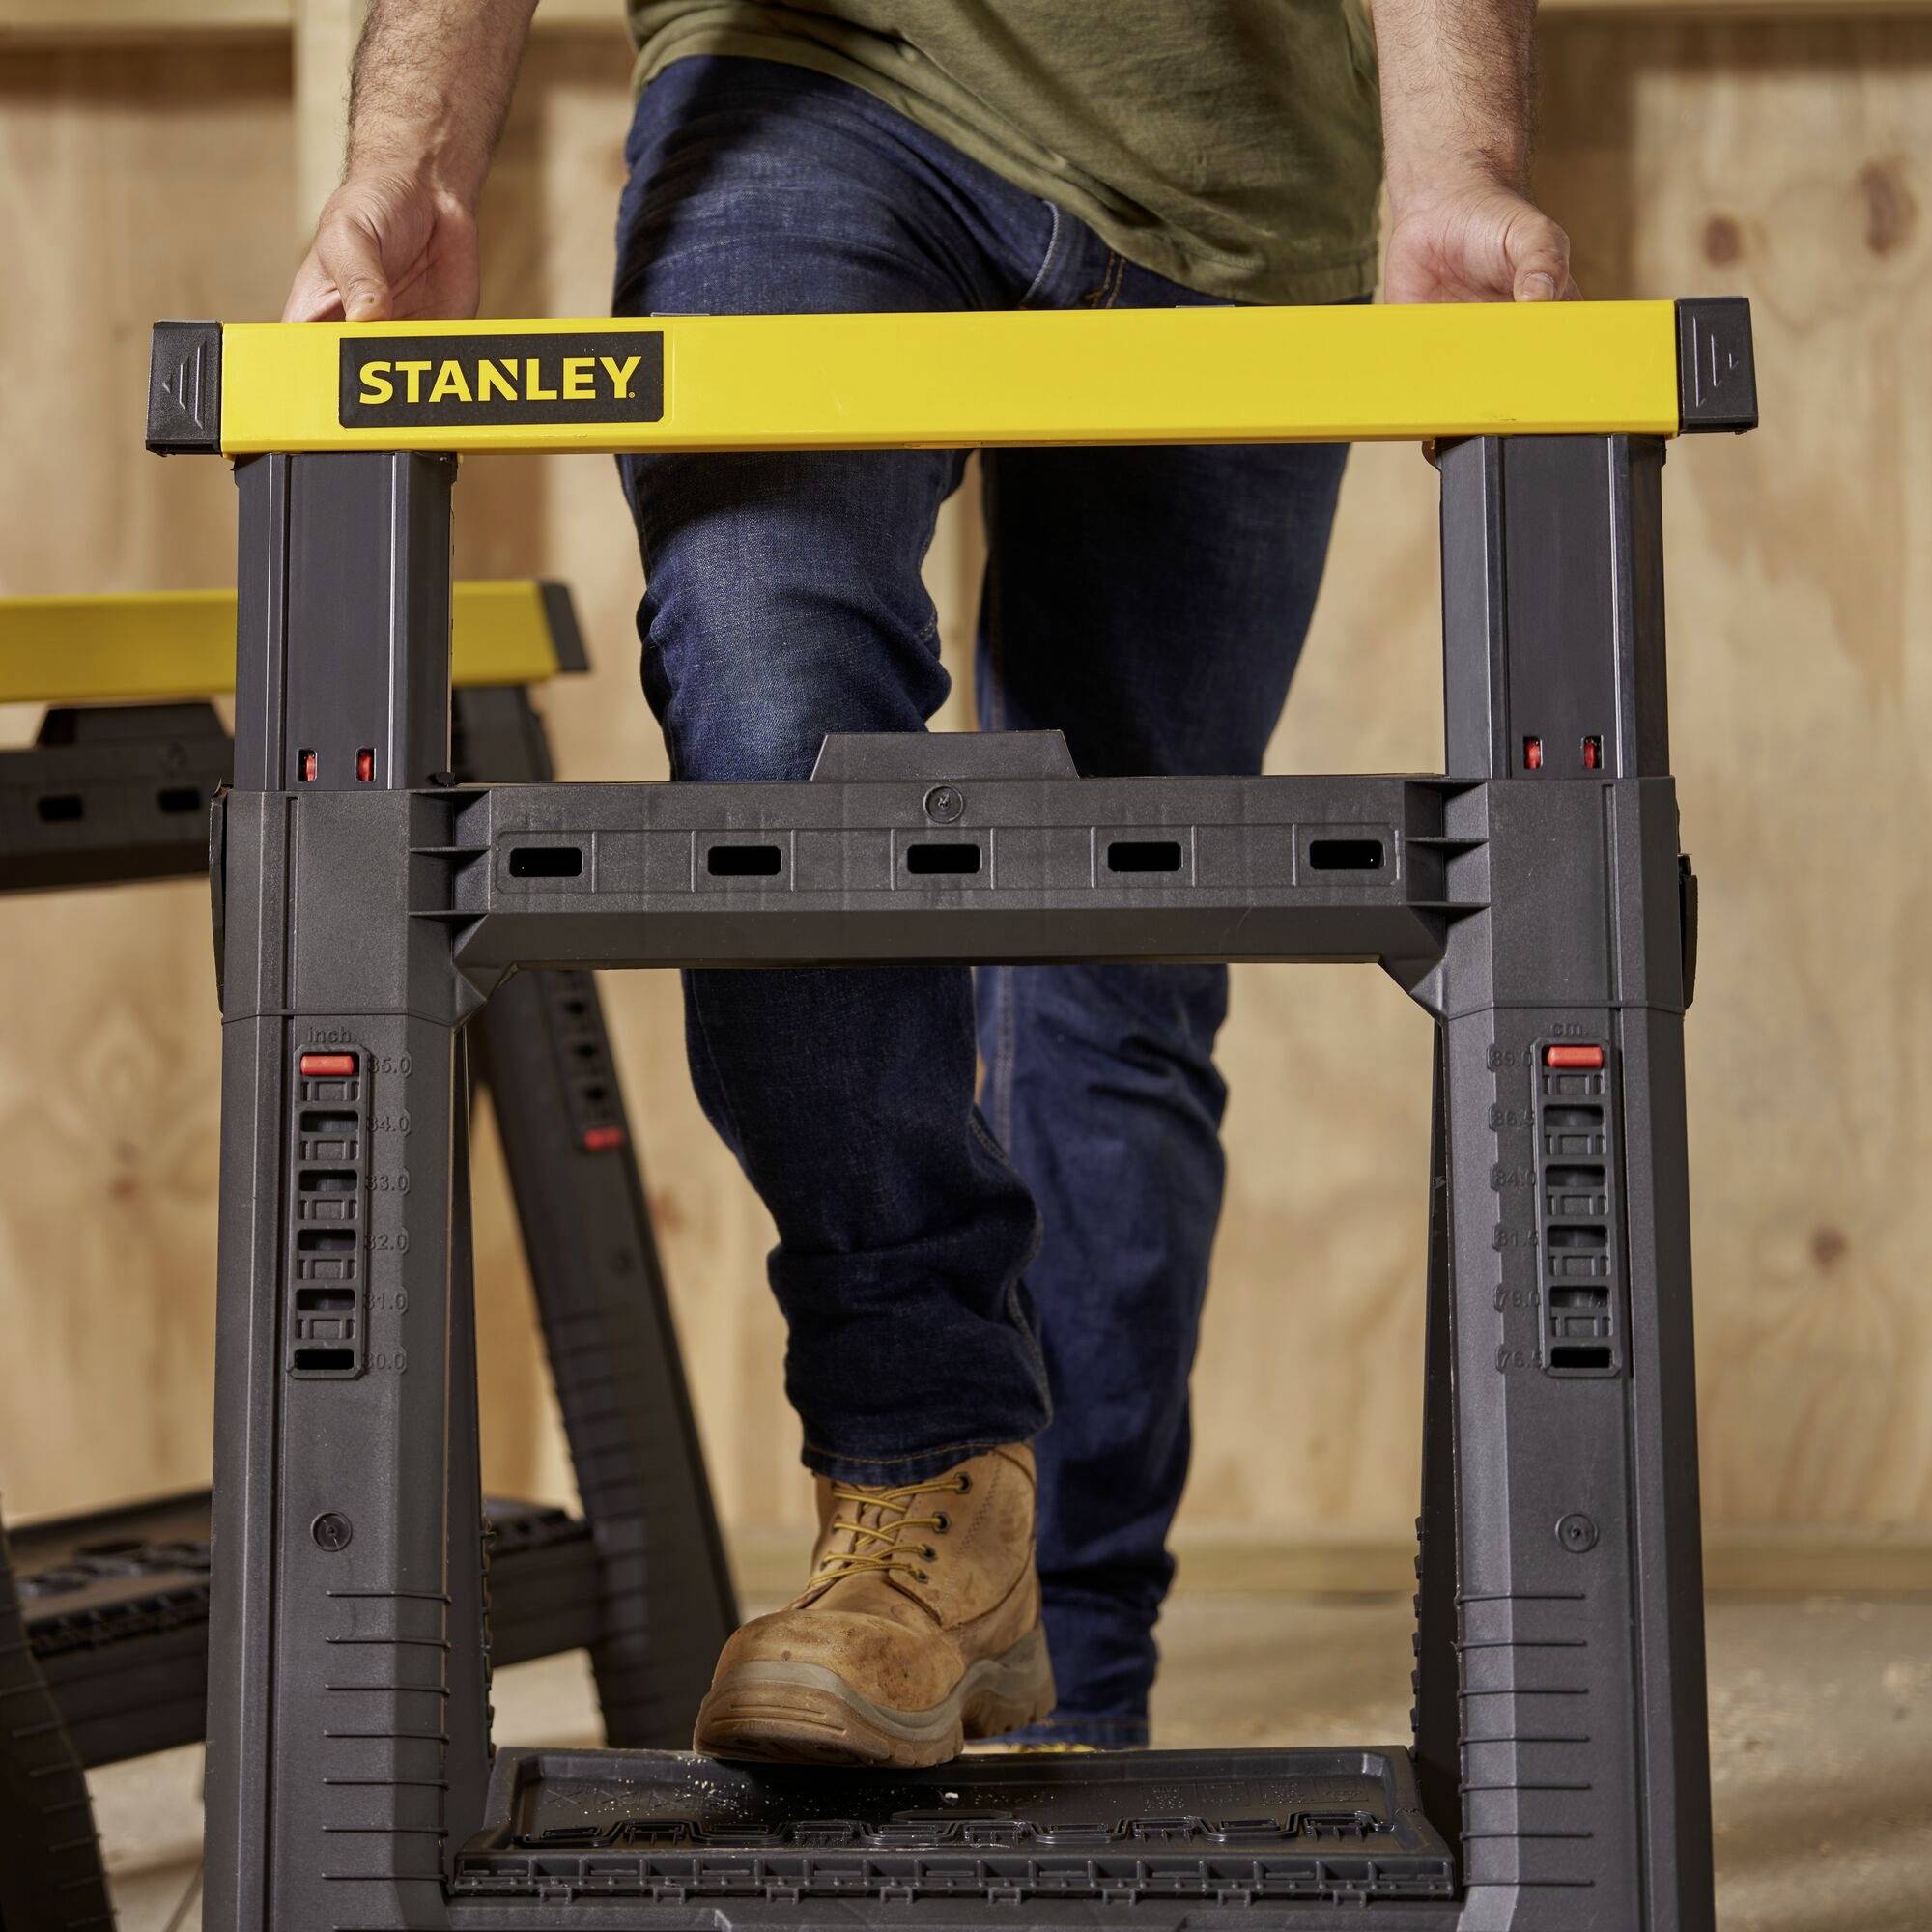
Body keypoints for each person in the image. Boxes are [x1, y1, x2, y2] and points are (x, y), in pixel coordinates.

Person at [285, 0, 1577, 1768]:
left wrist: (1458, 163)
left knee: (1122, 952)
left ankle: (1080, 1662)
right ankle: (923, 1477)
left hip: (1234, 170)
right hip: (815, 87)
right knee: (775, 761)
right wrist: (403, 162)